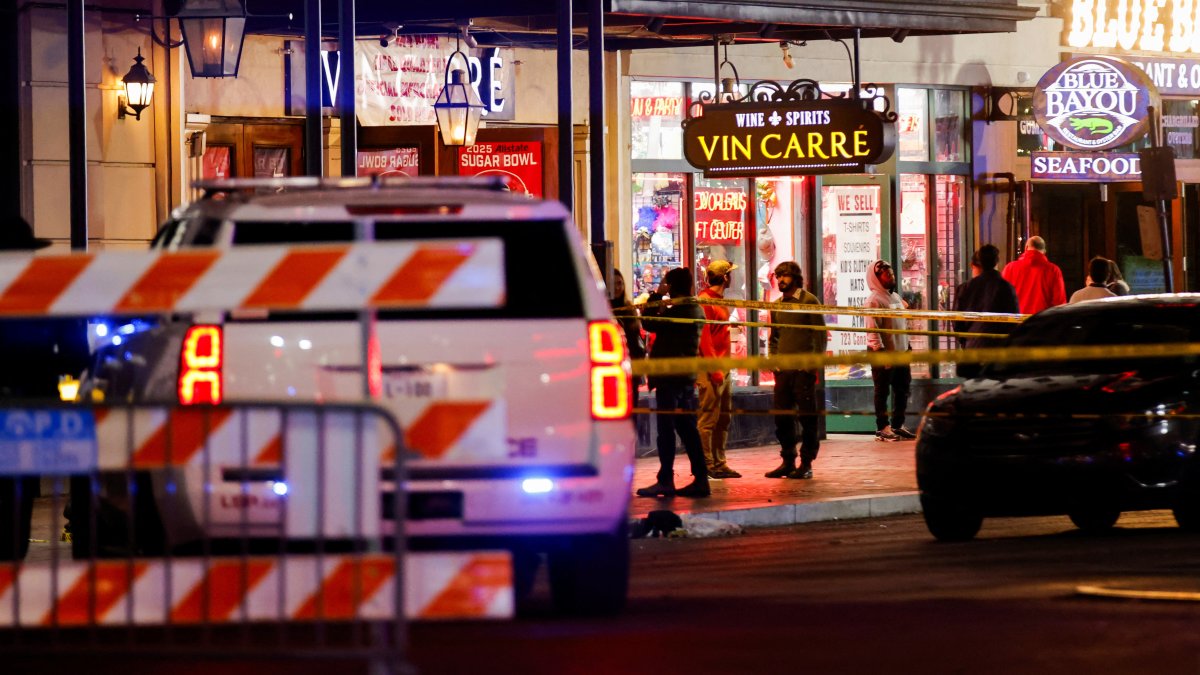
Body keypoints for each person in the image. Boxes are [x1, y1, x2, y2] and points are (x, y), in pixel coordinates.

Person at [0, 216, 89, 560]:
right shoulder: (46, 292)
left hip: (29, 401)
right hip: (29, 405)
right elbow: (74, 352)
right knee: (19, 494)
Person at [635, 267, 710, 499]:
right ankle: (699, 478)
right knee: (687, 429)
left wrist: (657, 295)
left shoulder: (683, 310)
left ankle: (666, 480)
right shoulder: (691, 308)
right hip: (684, 378)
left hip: (671, 379)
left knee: (668, 431)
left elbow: (649, 323)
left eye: (667, 283)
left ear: (672, 285)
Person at [764, 261, 827, 479]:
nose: (780, 280)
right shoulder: (777, 305)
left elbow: (820, 337)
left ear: (795, 277)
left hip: (803, 371)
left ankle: (807, 462)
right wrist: (774, 362)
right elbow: (774, 337)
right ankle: (788, 461)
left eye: (785, 276)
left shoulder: (809, 300)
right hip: (783, 372)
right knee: (782, 418)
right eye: (778, 276)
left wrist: (812, 367)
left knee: (807, 419)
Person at [696, 260, 740, 479]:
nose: (731, 277)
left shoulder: (720, 301)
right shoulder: (705, 302)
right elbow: (705, 341)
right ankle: (707, 464)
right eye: (729, 274)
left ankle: (719, 462)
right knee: (708, 420)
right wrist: (714, 371)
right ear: (724, 278)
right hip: (712, 369)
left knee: (723, 418)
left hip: (724, 367)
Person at [865, 260, 915, 442]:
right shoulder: (874, 301)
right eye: (887, 274)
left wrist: (907, 346)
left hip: (901, 353)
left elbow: (902, 324)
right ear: (876, 278)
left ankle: (897, 425)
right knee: (882, 391)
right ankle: (882, 428)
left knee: (902, 390)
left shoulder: (894, 298)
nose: (891, 277)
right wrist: (880, 353)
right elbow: (873, 331)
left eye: (892, 274)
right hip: (884, 354)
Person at [954, 245, 1019, 379]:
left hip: (973, 349)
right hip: (999, 352)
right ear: (997, 262)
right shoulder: (1007, 288)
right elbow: (1014, 322)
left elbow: (957, 321)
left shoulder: (965, 288)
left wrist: (965, 341)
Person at [1001, 235, 1066, 314]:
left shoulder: (1009, 268)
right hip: (1042, 321)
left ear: (1026, 247)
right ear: (1044, 251)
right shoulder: (1053, 270)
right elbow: (1059, 302)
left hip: (1016, 321)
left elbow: (1002, 298)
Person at [609, 268, 646, 385]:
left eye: (619, 283)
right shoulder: (603, 308)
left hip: (631, 364)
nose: (617, 287)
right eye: (612, 284)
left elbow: (635, 336)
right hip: (612, 365)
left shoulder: (629, 307)